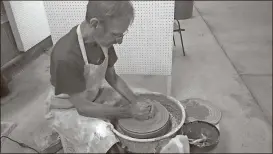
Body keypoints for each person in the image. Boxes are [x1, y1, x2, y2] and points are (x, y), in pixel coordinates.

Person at [45, 1, 152, 153]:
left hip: (91, 95)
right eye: (116, 34)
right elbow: (83, 108)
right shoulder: (66, 56)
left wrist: (136, 101)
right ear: (95, 24)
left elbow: (113, 78)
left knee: (141, 94)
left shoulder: (102, 40)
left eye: (122, 34)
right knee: (103, 135)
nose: (120, 41)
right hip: (67, 109)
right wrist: (129, 111)